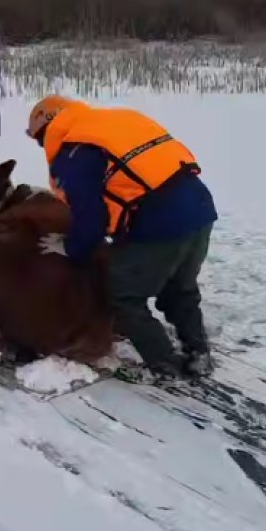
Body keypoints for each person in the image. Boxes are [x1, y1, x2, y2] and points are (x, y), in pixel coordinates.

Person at [27, 95, 218, 380]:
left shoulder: (74, 151)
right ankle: (198, 351)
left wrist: (70, 248)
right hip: (200, 209)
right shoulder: (116, 120)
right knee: (179, 287)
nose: (42, 145)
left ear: (47, 127)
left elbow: (92, 219)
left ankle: (165, 364)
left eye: (39, 139)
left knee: (123, 294)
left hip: (160, 222)